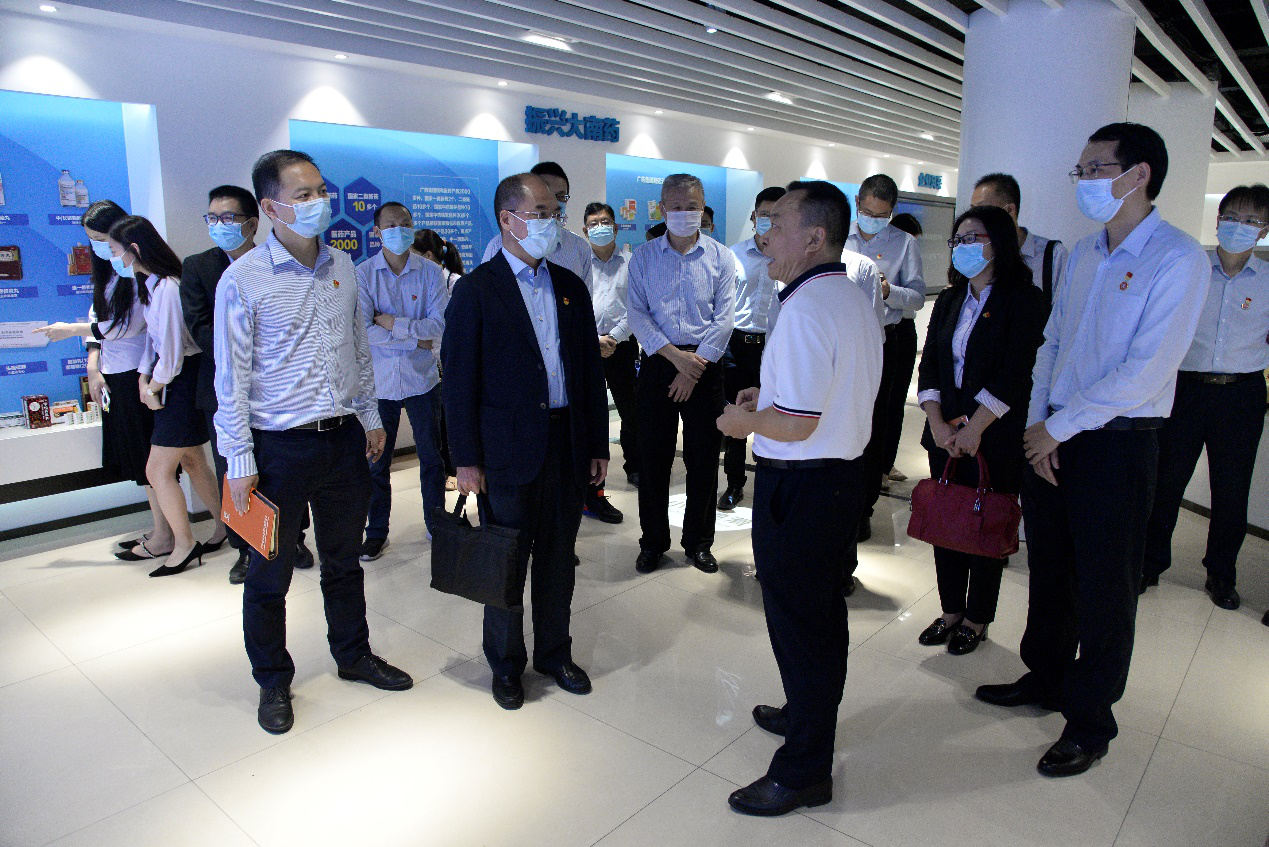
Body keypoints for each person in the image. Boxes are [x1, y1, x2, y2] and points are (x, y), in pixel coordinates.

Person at [976, 123, 1210, 778]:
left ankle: (1089, 720)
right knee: (1050, 570)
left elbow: (1146, 370)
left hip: (1117, 445)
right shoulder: (1082, 253)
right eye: (1079, 171)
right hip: (1053, 437)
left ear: (1138, 174)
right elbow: (1051, 344)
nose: (1082, 182)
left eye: (1094, 169)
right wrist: (1039, 425)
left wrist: (1061, 427)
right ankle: (1044, 677)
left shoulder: (1177, 258)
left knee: (1107, 587)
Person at [216, 149, 412, 735]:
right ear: (271, 207)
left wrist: (370, 415)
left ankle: (353, 654)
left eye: (320, 191)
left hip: (342, 438)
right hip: (277, 448)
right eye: (302, 195)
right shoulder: (243, 278)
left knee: (343, 561)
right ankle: (273, 679)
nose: (317, 202)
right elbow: (231, 379)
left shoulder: (342, 265)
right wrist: (238, 459)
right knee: (269, 573)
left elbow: (357, 347)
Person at [716, 181, 882, 816]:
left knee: (801, 625)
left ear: (815, 237)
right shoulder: (843, 296)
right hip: (836, 481)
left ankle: (805, 769)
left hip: (804, 485)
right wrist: (769, 398)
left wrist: (743, 423)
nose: (765, 235)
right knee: (817, 618)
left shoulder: (809, 306)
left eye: (777, 223)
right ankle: (806, 713)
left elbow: (798, 424)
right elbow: (824, 391)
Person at [442, 173, 609, 710]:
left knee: (559, 559)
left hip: (566, 443)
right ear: (508, 220)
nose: (551, 222)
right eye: (540, 213)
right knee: (507, 561)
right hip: (506, 451)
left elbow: (588, 373)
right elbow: (459, 383)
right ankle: (506, 664)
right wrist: (465, 460)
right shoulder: (477, 290)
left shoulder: (569, 285)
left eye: (555, 212)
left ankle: (555, 654)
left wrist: (597, 444)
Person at [914, 206, 1046, 655]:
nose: (963, 247)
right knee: (946, 519)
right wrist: (937, 422)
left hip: (995, 436)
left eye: (973, 238)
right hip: (944, 433)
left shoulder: (1024, 299)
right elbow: (931, 363)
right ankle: (951, 610)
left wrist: (976, 427)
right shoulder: (951, 299)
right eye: (958, 240)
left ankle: (977, 618)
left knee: (986, 524)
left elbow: (1016, 372)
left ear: (1000, 243)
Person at [1141, 184, 1269, 610]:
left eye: (1250, 221)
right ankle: (1150, 563)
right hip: (1186, 389)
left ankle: (1221, 574)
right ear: (1217, 221)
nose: (1238, 226)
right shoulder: (1192, 266)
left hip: (1242, 394)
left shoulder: (1268, 281)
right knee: (1166, 481)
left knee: (1232, 490)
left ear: (1264, 230)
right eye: (1231, 217)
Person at [181, 185, 315, 584]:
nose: (219, 225)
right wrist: (255, 350)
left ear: (252, 223)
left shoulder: (278, 262)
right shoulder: (199, 267)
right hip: (225, 391)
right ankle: (245, 548)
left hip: (281, 392)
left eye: (228, 218)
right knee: (234, 470)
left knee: (286, 468)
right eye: (212, 218)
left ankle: (293, 539)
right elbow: (200, 327)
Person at [35, 200, 172, 561]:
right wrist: (93, 365)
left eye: (102, 240)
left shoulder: (139, 275)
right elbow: (100, 323)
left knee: (150, 462)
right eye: (92, 240)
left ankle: (166, 535)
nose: (98, 247)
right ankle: (162, 529)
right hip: (115, 373)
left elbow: (123, 328)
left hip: (135, 375)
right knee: (141, 463)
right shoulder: (109, 273)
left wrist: (71, 330)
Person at [106, 215, 227, 578]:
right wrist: (146, 377)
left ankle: (183, 543)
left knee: (157, 469)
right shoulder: (152, 287)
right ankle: (224, 526)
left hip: (182, 381)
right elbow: (155, 344)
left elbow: (172, 355)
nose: (113, 258)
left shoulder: (170, 288)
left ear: (134, 249)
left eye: (114, 250)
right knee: (192, 460)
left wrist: (153, 386)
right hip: (170, 378)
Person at [628, 173, 737, 575]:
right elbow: (637, 314)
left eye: (692, 207)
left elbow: (725, 319)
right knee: (653, 460)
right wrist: (676, 359)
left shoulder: (721, 257)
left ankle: (699, 542)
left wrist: (693, 368)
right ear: (662, 208)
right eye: (675, 207)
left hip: (705, 367)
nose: (684, 213)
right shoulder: (643, 257)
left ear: (703, 208)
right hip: (660, 363)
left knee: (704, 460)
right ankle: (653, 542)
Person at [356, 201, 448, 561]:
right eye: (391, 225)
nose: (399, 230)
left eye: (405, 224)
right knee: (376, 462)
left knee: (431, 457)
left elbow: (438, 326)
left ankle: (436, 523)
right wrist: (414, 337)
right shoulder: (364, 274)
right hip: (379, 384)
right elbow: (363, 332)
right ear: (377, 232)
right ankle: (376, 532)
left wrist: (392, 323)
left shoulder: (430, 272)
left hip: (422, 380)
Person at [847, 174, 926, 543]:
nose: (872, 220)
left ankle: (864, 508)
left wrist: (887, 289)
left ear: (892, 212)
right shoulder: (838, 236)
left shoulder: (904, 243)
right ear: (857, 202)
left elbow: (917, 297)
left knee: (876, 422)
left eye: (881, 216)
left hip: (884, 339)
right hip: (843, 339)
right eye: (867, 212)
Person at [718, 186, 786, 511]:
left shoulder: (790, 257)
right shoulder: (734, 255)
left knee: (773, 414)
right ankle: (734, 483)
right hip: (736, 345)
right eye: (763, 215)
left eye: (775, 216)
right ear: (754, 217)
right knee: (737, 413)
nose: (768, 221)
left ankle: (771, 482)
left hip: (773, 348)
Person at [582, 201, 638, 503]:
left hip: (622, 346)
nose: (599, 228)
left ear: (615, 227)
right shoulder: (579, 263)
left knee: (630, 409)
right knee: (589, 411)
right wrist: (594, 340)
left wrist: (613, 338)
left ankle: (635, 466)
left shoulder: (631, 262)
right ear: (584, 230)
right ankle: (588, 473)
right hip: (586, 347)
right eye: (593, 224)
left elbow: (638, 308)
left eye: (605, 222)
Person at [480, 162, 593, 290]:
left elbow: (585, 298)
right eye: (546, 193)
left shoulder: (579, 248)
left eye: (561, 196)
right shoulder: (497, 246)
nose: (553, 201)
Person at [971, 173, 1070, 306]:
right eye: (973, 210)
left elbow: (1062, 312)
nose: (974, 219)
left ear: (1009, 210)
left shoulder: (1052, 255)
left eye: (982, 210)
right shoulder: (978, 253)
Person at [412, 228, 462, 487]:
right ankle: (444, 469)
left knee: (450, 418)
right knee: (436, 420)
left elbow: (449, 325)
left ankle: (454, 469)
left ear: (428, 255)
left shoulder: (454, 282)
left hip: (450, 359)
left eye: (413, 254)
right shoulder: (419, 282)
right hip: (428, 360)